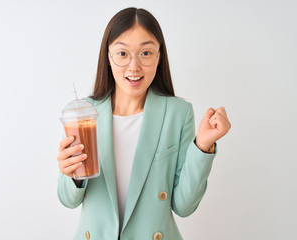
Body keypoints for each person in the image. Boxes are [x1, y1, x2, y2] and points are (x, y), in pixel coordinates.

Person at [57, 7, 231, 240]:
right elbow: (68, 200)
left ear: (159, 56)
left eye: (146, 53)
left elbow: (184, 206)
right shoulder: (83, 113)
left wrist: (202, 146)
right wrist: (73, 175)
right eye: (122, 53)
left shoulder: (178, 113)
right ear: (108, 57)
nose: (134, 67)